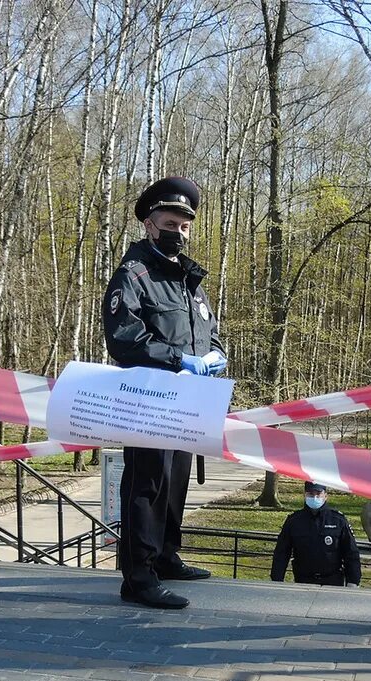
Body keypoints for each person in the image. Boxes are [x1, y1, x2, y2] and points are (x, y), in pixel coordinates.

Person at [102, 177, 226, 610]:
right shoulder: (133, 275)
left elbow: (209, 329)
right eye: (172, 223)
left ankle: (166, 556)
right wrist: (177, 359)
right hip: (148, 400)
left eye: (186, 225)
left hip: (188, 403)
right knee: (146, 485)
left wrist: (215, 353)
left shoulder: (189, 279)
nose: (180, 232)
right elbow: (123, 336)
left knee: (175, 483)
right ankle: (138, 575)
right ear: (150, 225)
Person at [271, 482, 361, 587]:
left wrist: (353, 580)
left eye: (318, 494)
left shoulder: (338, 520)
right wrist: (277, 579)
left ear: (325, 496)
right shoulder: (294, 521)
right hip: (303, 580)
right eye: (310, 494)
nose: (314, 497)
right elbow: (282, 552)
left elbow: (351, 552)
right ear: (304, 495)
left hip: (332, 581)